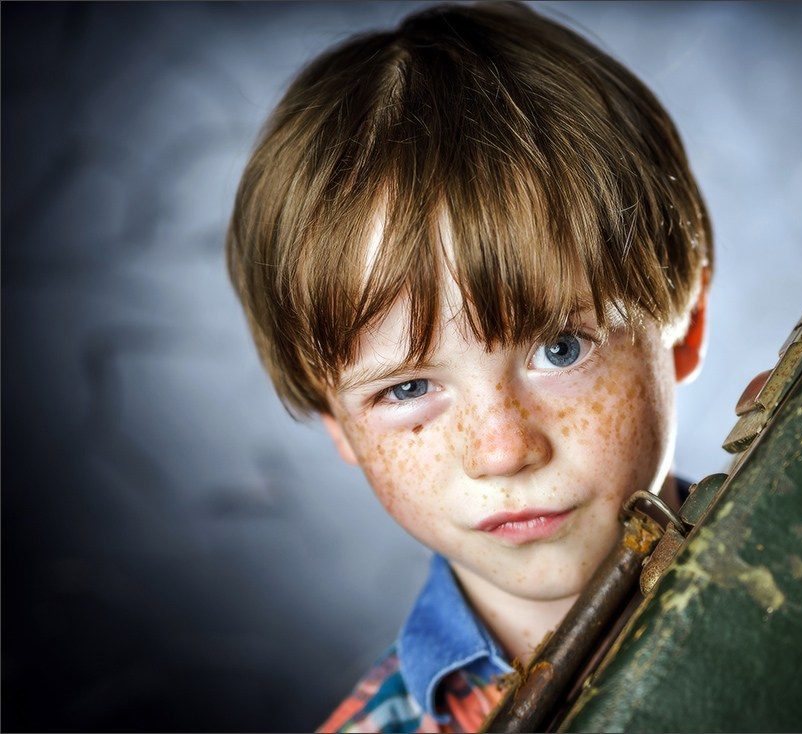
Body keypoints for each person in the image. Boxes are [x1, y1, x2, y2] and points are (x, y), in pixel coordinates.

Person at [226, 1, 713, 731]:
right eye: (410, 388)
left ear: (684, 328)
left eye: (560, 348)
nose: (504, 450)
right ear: (338, 423)